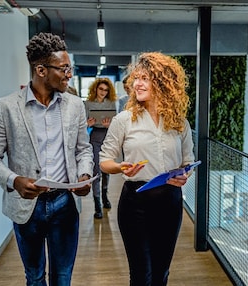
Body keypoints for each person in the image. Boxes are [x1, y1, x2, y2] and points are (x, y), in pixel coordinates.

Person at [0, 32, 93, 286]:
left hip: (65, 203)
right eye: (64, 68)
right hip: (26, 207)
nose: (69, 74)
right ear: (41, 70)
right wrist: (14, 180)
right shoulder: (5, 107)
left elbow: (83, 149)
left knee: (63, 277)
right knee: (34, 277)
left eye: (70, 68)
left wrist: (84, 174)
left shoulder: (75, 105)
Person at [99, 52, 195, 286]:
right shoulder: (123, 120)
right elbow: (105, 161)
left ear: (162, 83)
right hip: (135, 204)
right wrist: (120, 166)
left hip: (170, 202)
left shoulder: (179, 123)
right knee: (141, 275)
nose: (137, 84)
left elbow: (187, 161)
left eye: (145, 78)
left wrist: (185, 175)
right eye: (136, 78)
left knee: (161, 273)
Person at [84, 77, 118, 219]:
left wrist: (109, 125)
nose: (103, 92)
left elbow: (115, 122)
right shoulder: (87, 104)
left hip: (108, 137)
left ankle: (105, 196)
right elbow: (82, 124)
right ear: (95, 89)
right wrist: (88, 124)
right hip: (95, 137)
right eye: (101, 89)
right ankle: (97, 204)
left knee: (106, 169)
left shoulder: (111, 104)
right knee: (96, 170)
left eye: (106, 90)